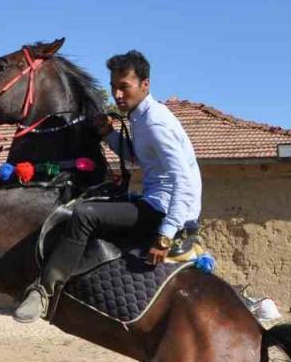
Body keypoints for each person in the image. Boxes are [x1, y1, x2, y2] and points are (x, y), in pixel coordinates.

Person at [14, 49, 203, 322]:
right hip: (155, 201)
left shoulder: (156, 123)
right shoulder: (140, 117)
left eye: (124, 87)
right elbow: (136, 156)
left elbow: (183, 180)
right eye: (114, 87)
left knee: (85, 215)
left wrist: (166, 234)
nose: (117, 95)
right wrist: (108, 134)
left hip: (163, 210)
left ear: (145, 84)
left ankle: (44, 292)